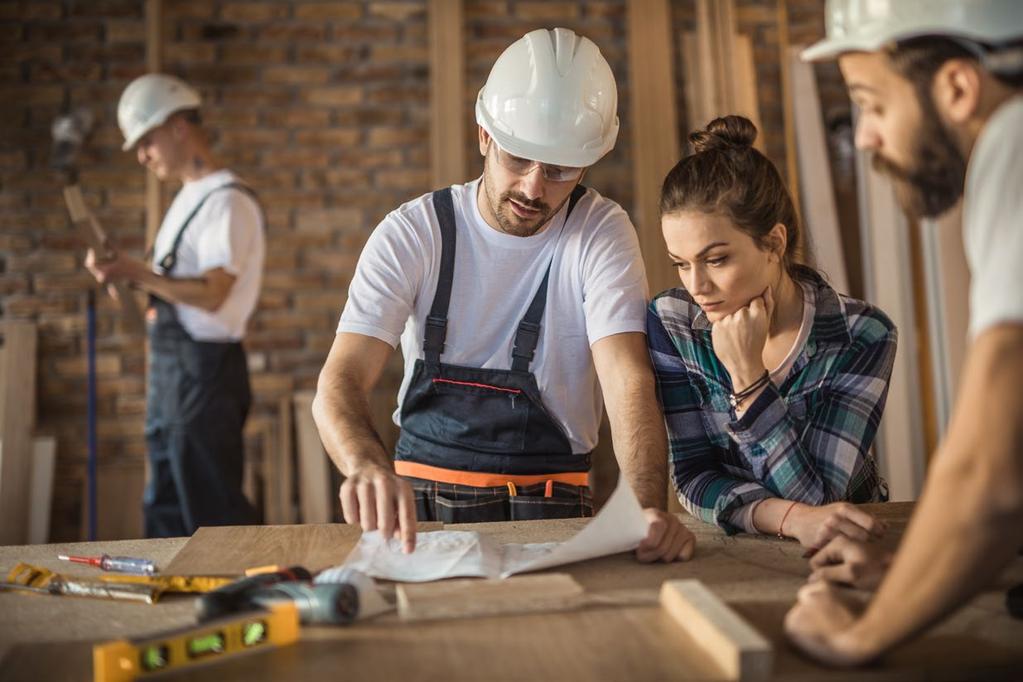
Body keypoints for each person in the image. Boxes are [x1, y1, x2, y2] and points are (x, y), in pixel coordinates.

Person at [312, 28, 695, 562]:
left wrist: (645, 507)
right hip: (416, 518)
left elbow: (627, 381)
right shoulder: (415, 233)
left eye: (560, 169)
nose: (534, 188)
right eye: (518, 159)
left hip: (553, 511)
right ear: (484, 136)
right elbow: (340, 380)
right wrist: (366, 466)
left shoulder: (600, 232)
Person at [784, 0, 1023, 666]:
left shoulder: (1012, 145)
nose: (862, 137)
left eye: (871, 102)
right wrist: (912, 571)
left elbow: (991, 477)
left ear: (954, 86)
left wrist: (859, 634)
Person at [647, 115, 894, 548]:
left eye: (717, 259)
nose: (697, 286)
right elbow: (692, 477)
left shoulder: (862, 335)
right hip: (734, 551)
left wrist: (747, 378)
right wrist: (789, 518)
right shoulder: (673, 323)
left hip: (847, 550)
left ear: (774, 243)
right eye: (681, 264)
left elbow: (821, 500)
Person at [84, 73, 265, 537]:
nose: (142, 156)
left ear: (178, 126)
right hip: (173, 379)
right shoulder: (188, 200)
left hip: (204, 378)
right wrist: (120, 280)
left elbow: (212, 293)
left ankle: (230, 603)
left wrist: (136, 272)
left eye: (146, 141)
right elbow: (166, 292)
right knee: (165, 511)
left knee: (212, 517)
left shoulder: (226, 201)